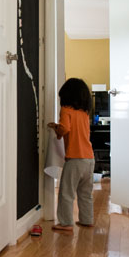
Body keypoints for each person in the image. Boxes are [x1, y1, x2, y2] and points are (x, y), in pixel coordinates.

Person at [47, 78, 95, 231]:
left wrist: (56, 128)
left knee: (66, 192)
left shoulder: (66, 110)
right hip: (89, 159)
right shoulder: (84, 113)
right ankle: (87, 220)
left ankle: (66, 223)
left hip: (75, 158)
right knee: (85, 193)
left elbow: (65, 128)